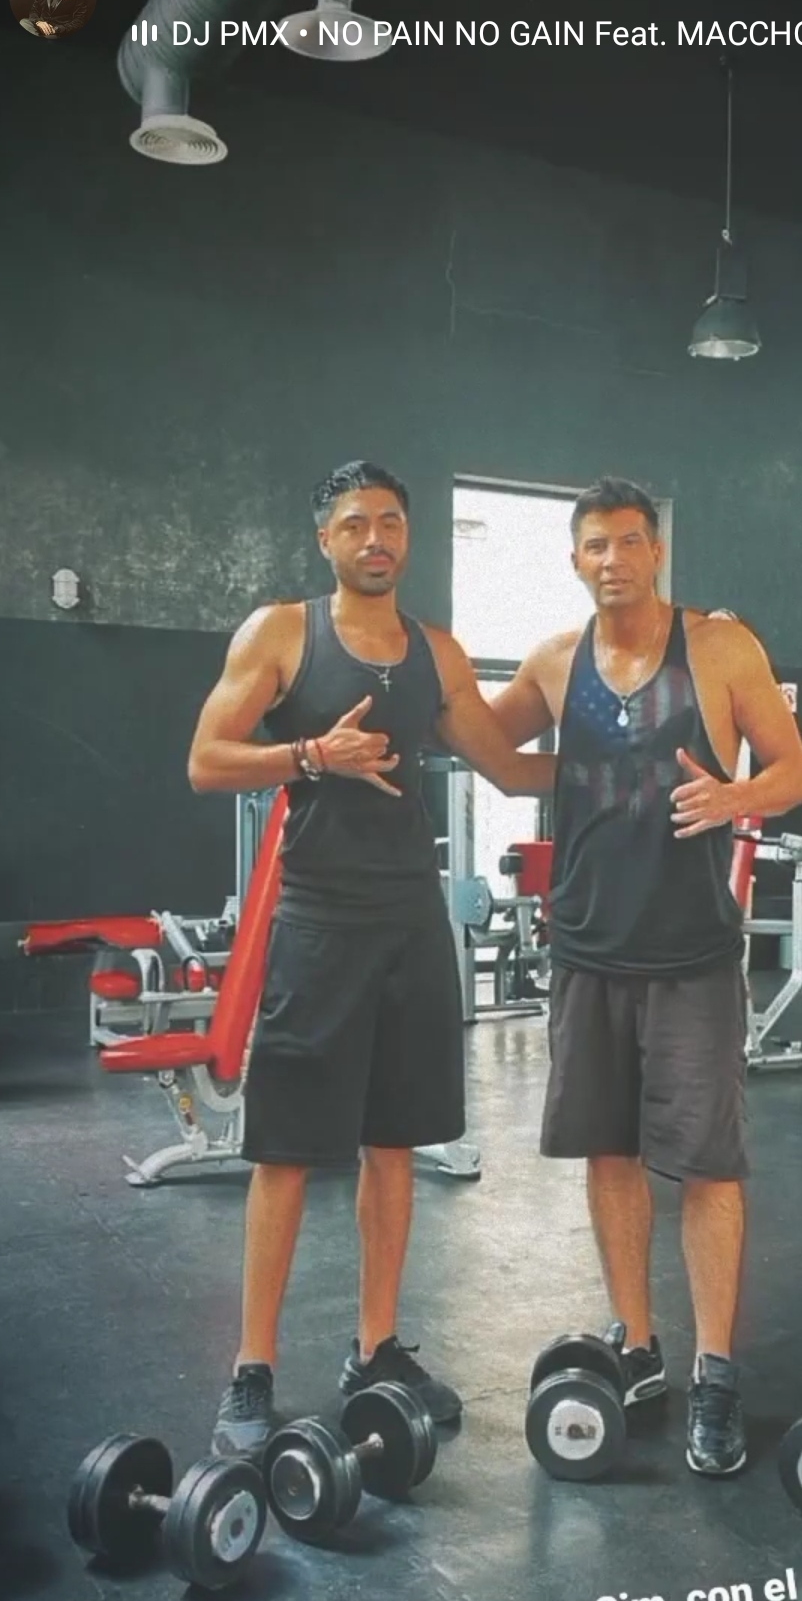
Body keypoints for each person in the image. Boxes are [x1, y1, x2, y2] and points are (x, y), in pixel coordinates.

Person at [188, 461, 555, 1461]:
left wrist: (627, 757)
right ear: (326, 539)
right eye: (355, 524)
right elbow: (206, 759)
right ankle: (252, 1366)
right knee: (285, 1151)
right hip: (319, 917)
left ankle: (376, 1348)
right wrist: (310, 755)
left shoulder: (436, 652)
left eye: (391, 521)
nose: (376, 538)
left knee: (394, 1142)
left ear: (408, 535)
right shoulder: (281, 633)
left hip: (410, 919)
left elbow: (508, 765)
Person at [490, 477, 802, 1477]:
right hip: (588, 947)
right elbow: (491, 752)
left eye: (630, 541)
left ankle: (715, 1371)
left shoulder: (719, 647)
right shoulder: (553, 661)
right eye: (596, 545)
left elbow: (796, 771)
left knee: (709, 1165)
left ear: (656, 550)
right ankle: (637, 1343)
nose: (614, 559)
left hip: (692, 954)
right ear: (575, 558)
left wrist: (735, 796)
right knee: (609, 1150)